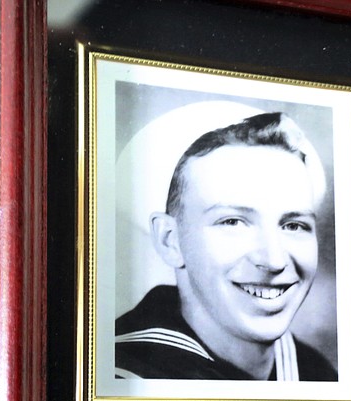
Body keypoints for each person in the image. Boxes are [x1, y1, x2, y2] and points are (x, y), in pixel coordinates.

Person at [115, 112, 337, 381]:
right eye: (233, 222)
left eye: (293, 225)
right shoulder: (122, 377)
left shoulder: (318, 375)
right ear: (170, 240)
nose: (274, 260)